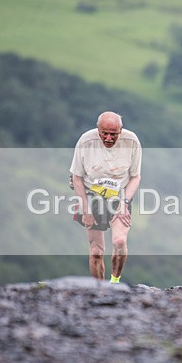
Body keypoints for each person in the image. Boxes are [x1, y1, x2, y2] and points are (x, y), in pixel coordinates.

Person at [70, 111, 142, 283]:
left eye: (113, 134)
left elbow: (135, 177)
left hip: (120, 195)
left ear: (120, 130)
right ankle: (99, 289)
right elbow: (76, 177)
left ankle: (115, 281)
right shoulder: (86, 141)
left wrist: (125, 203)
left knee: (118, 241)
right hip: (91, 196)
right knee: (96, 252)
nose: (109, 138)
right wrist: (86, 209)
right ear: (98, 130)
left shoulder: (132, 141)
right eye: (105, 133)